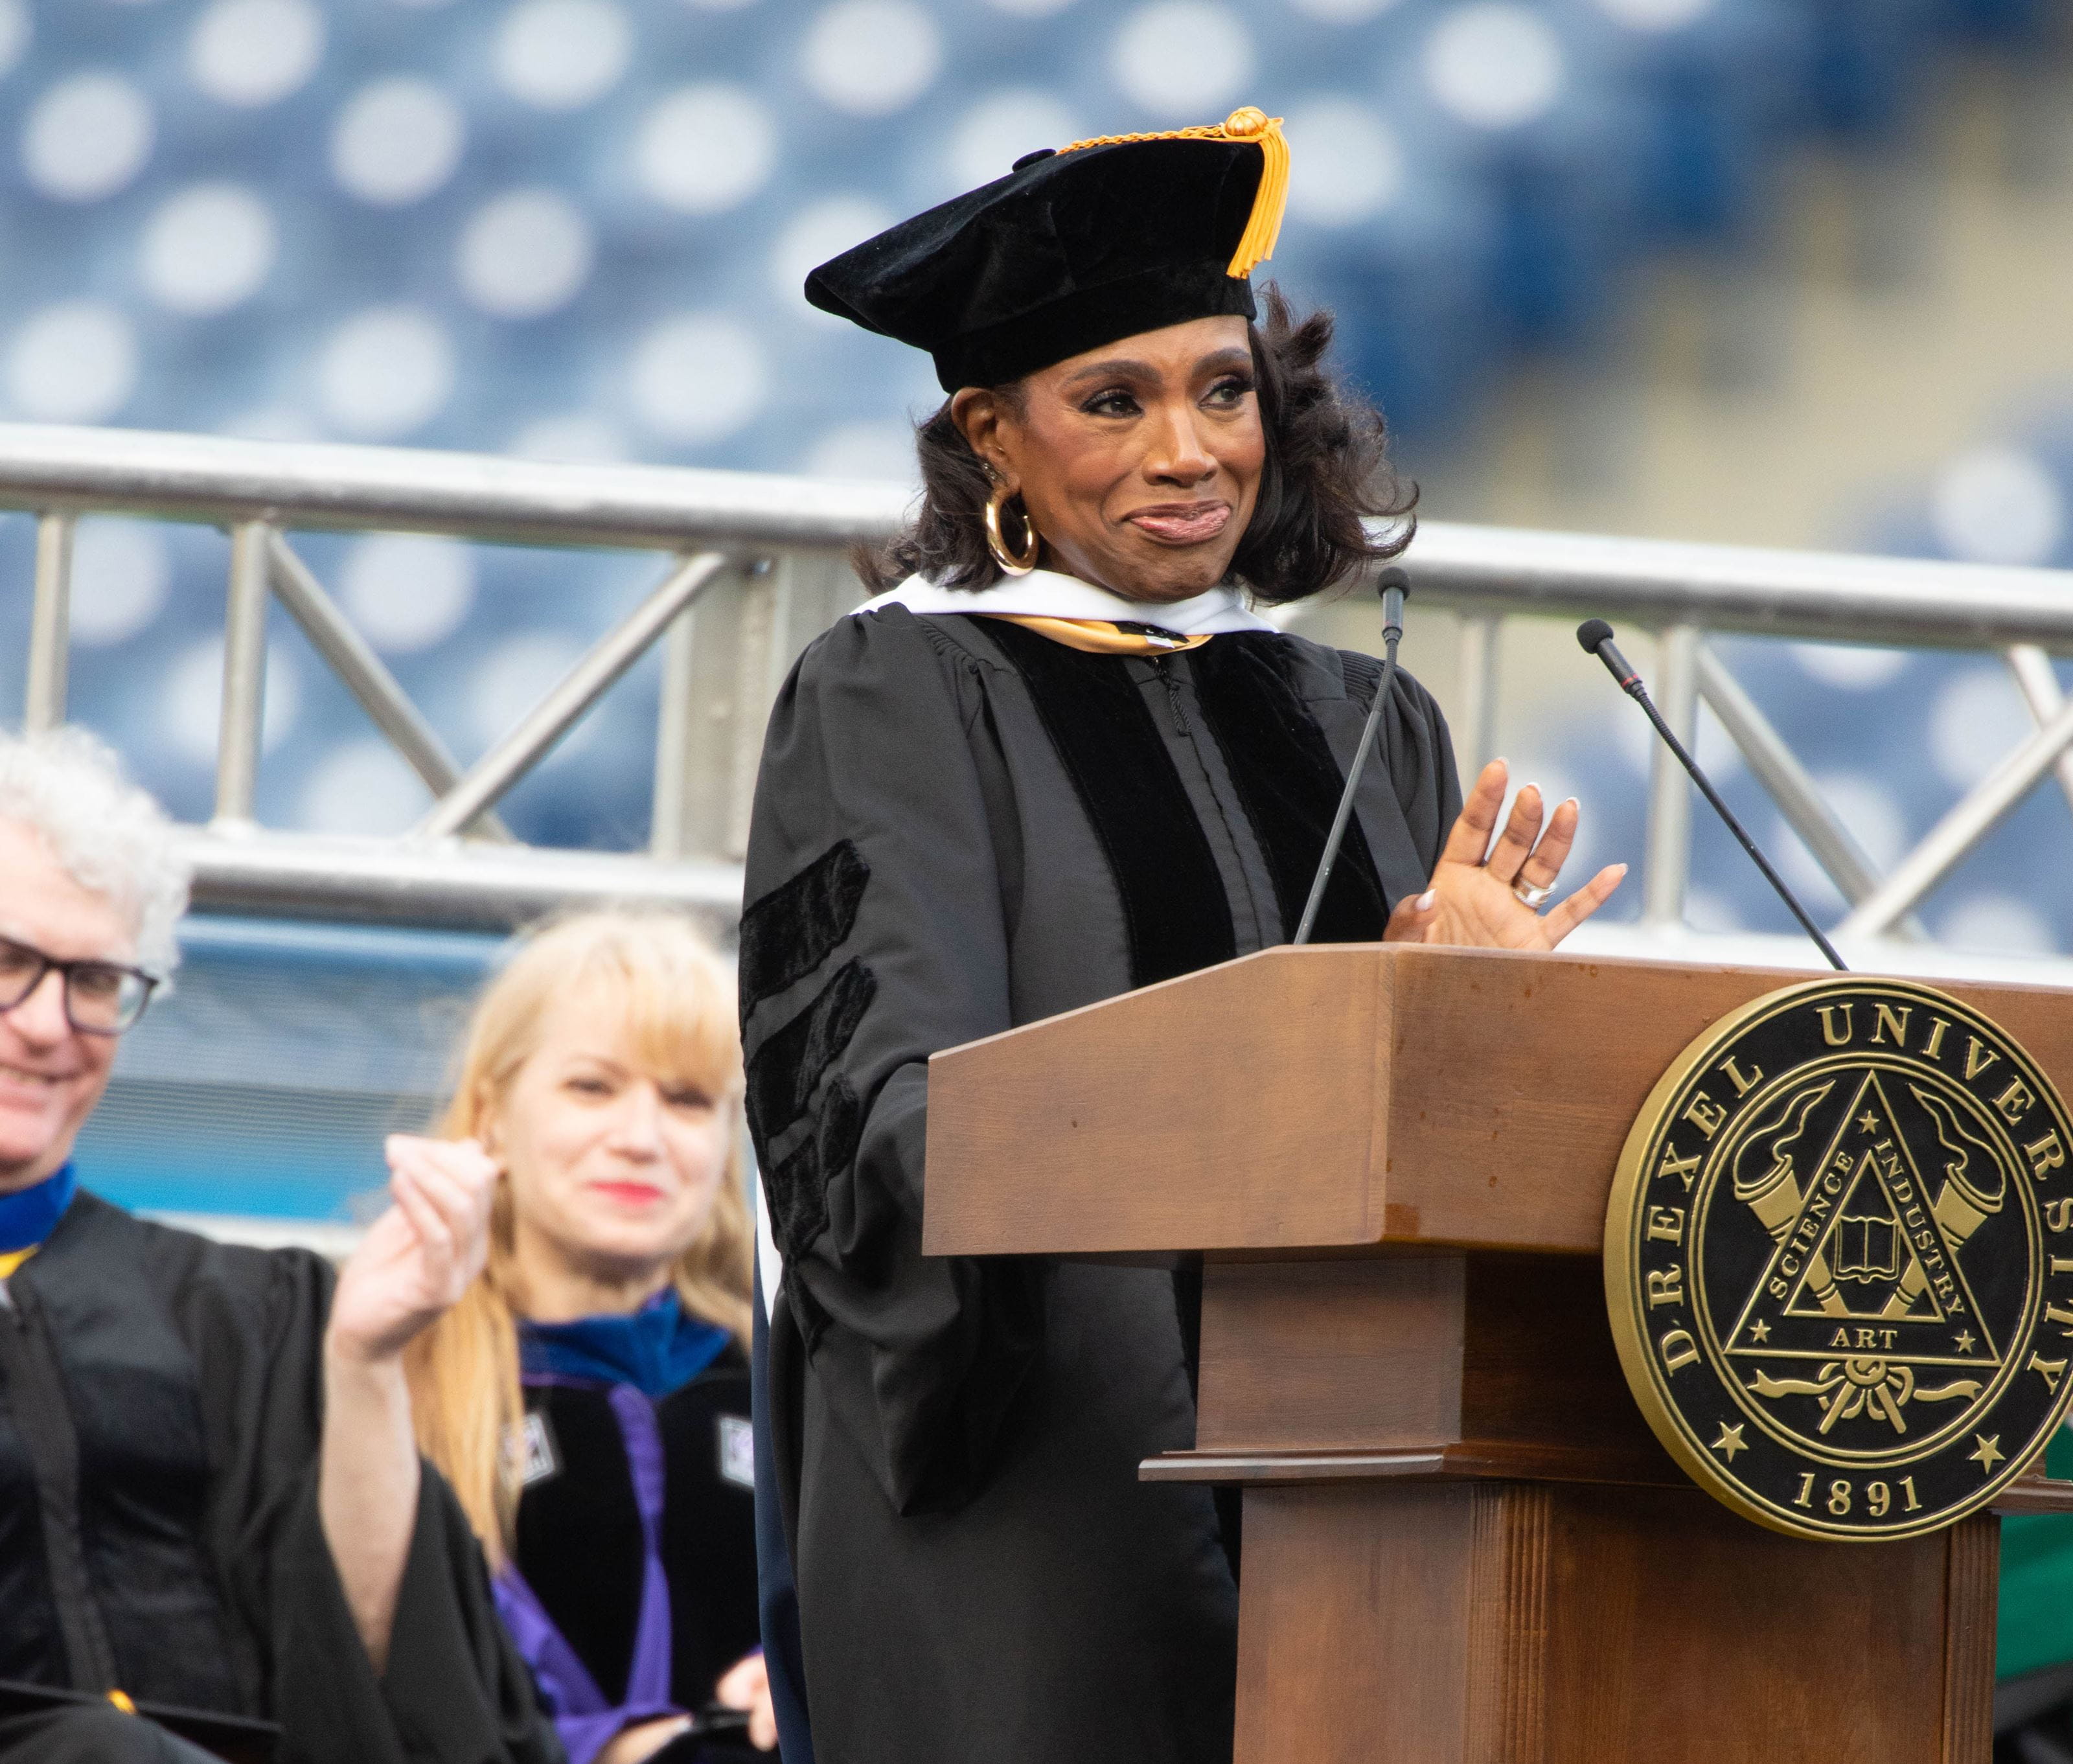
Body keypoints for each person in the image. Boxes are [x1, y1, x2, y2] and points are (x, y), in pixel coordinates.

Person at [740, 106, 1627, 1764]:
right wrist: (1310, 1052)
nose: (1187, 450)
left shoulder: (1365, 716)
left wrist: (1462, 1030)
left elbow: (1431, 1170)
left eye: (1223, 391)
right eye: (1112, 401)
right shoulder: (898, 694)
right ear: (990, 436)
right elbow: (880, 1134)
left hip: (1360, 1501)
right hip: (1050, 1494)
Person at [0, 725, 555, 1764]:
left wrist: (365, 1362)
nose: (48, 1025)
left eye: (92, 983)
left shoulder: (240, 1313)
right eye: (9, 961)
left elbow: (399, 1684)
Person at [402, 911, 777, 1764]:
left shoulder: (792, 1387)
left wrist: (799, 1671)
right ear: (493, 1117)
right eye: (593, 1088)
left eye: (686, 1100)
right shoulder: (395, 1378)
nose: (640, 1139)